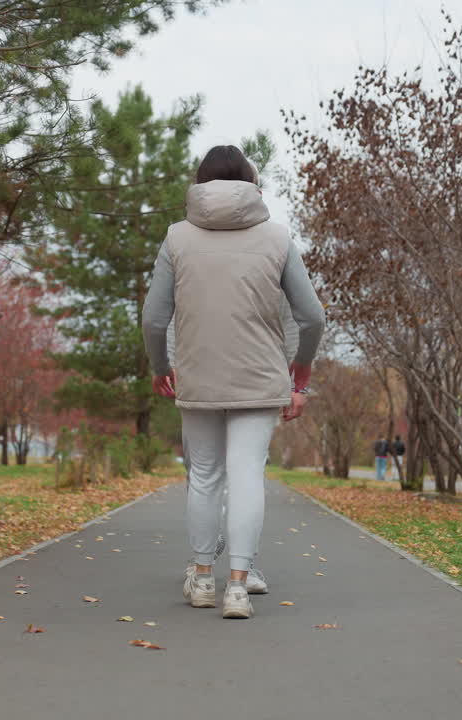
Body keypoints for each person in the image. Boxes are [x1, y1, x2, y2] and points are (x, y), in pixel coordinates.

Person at [143, 144, 325, 619]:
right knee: (247, 477)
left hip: (198, 377)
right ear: (250, 181)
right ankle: (239, 587)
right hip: (261, 378)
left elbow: (153, 319)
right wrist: (300, 375)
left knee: (203, 479)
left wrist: (160, 367)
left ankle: (202, 579)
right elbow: (311, 317)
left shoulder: (176, 238)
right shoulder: (278, 238)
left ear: (200, 183)